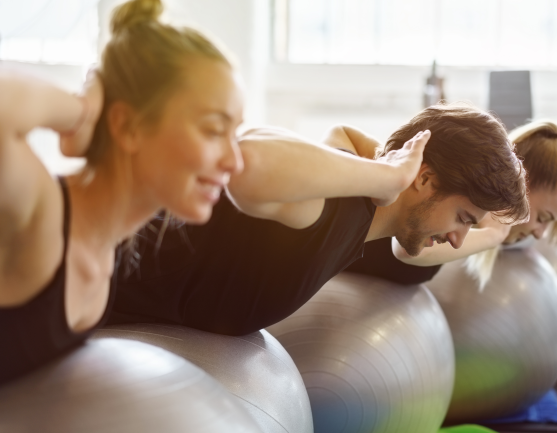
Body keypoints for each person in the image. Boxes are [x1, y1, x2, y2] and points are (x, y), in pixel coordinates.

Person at [0, 0, 244, 398]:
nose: (234, 160)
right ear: (127, 126)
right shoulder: (40, 217)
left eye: (235, 132)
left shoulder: (101, 259)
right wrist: (81, 109)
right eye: (213, 130)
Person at [107, 102, 530, 336]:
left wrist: (493, 235)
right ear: (423, 178)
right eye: (462, 217)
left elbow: (340, 138)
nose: (458, 240)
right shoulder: (335, 207)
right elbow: (246, 157)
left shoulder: (360, 222)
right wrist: (386, 172)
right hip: (65, 263)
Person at [346, 121, 557, 284]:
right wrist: (494, 235)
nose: (541, 234)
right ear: (524, 188)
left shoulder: (473, 220)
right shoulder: (467, 200)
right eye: (542, 218)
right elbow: (406, 252)